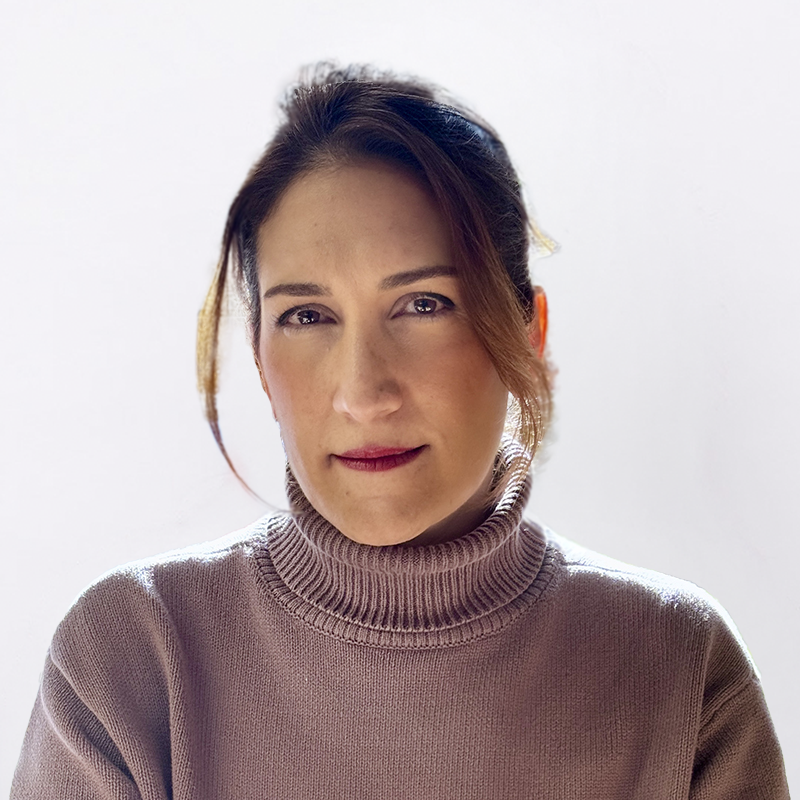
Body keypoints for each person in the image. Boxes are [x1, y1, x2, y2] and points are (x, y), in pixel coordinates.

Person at [12, 63, 789, 799]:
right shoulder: (128, 660)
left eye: (423, 305)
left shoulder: (676, 667)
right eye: (307, 316)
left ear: (528, 331)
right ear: (258, 357)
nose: (363, 393)